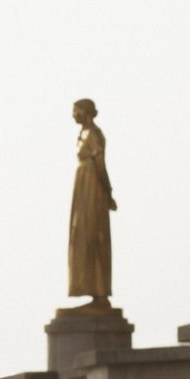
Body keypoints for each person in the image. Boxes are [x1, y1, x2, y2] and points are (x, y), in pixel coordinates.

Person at [65, 98, 114, 309]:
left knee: (94, 236)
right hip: (83, 187)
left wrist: (108, 191)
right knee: (82, 235)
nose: (73, 115)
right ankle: (88, 288)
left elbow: (100, 164)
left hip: (93, 188)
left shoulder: (94, 134)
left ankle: (100, 292)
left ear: (84, 112)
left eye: (75, 111)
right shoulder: (83, 134)